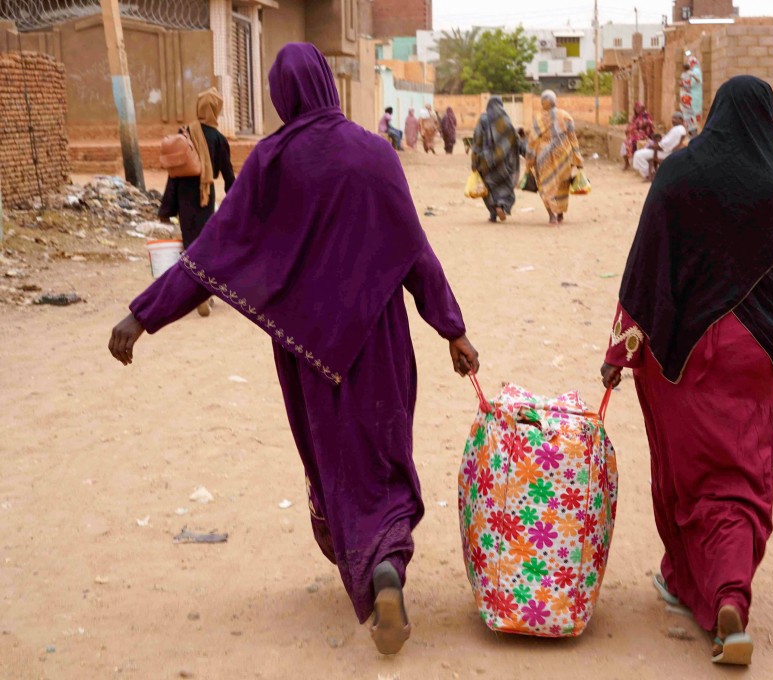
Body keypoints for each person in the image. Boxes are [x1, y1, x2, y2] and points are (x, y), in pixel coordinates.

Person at [107, 43, 480, 656]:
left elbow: (211, 254)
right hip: (379, 339)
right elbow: (414, 251)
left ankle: (369, 562)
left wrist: (142, 315)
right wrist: (452, 329)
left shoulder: (270, 162)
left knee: (333, 456)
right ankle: (386, 561)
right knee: (383, 450)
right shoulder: (374, 154)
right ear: (328, 85)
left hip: (309, 354)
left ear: (281, 95)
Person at [600, 76, 773, 667]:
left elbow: (644, 276)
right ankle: (730, 596)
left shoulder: (677, 177)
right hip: (750, 358)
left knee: (689, 475)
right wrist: (768, 335)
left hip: (680, 358)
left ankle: (686, 580)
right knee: (740, 474)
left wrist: (618, 352)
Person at [158, 86, 234, 318]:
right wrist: (237, 199)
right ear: (216, 110)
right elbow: (227, 174)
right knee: (206, 245)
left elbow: (173, 173)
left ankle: (192, 292)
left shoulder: (184, 132)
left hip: (183, 197)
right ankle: (203, 293)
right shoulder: (218, 139)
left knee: (189, 244)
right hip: (204, 196)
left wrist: (166, 208)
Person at [526, 90, 583, 226]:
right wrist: (578, 159)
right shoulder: (566, 116)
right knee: (562, 185)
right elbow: (573, 138)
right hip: (563, 154)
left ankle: (552, 216)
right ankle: (560, 214)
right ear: (555, 101)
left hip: (543, 156)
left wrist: (529, 161)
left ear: (542, 103)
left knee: (546, 185)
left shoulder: (538, 119)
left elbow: (532, 141)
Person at [470, 96, 520, 223]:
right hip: (503, 161)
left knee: (489, 186)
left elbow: (477, 140)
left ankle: (493, 214)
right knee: (504, 186)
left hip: (485, 161)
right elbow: (515, 141)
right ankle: (501, 205)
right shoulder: (506, 121)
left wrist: (474, 160)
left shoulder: (483, 119)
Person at [632, 111, 687, 180]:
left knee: (638, 154)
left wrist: (654, 146)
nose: (673, 120)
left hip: (665, 152)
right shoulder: (679, 129)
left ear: (681, 120)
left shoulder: (678, 129)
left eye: (675, 119)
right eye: (673, 118)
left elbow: (666, 145)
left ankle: (650, 174)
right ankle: (651, 173)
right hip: (664, 150)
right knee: (642, 152)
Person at [623, 101, 655, 170]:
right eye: (636, 108)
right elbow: (631, 125)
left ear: (643, 108)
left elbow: (646, 124)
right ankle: (627, 164)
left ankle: (636, 163)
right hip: (634, 134)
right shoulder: (635, 117)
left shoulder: (646, 116)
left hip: (644, 135)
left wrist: (634, 128)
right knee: (625, 143)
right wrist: (629, 129)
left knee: (631, 142)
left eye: (640, 108)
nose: (638, 109)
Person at [679, 55, 704, 135]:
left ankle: (693, 133)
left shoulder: (695, 72)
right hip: (689, 98)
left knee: (692, 117)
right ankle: (691, 132)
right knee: (690, 117)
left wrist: (683, 84)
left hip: (692, 98)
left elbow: (692, 83)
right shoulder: (692, 72)